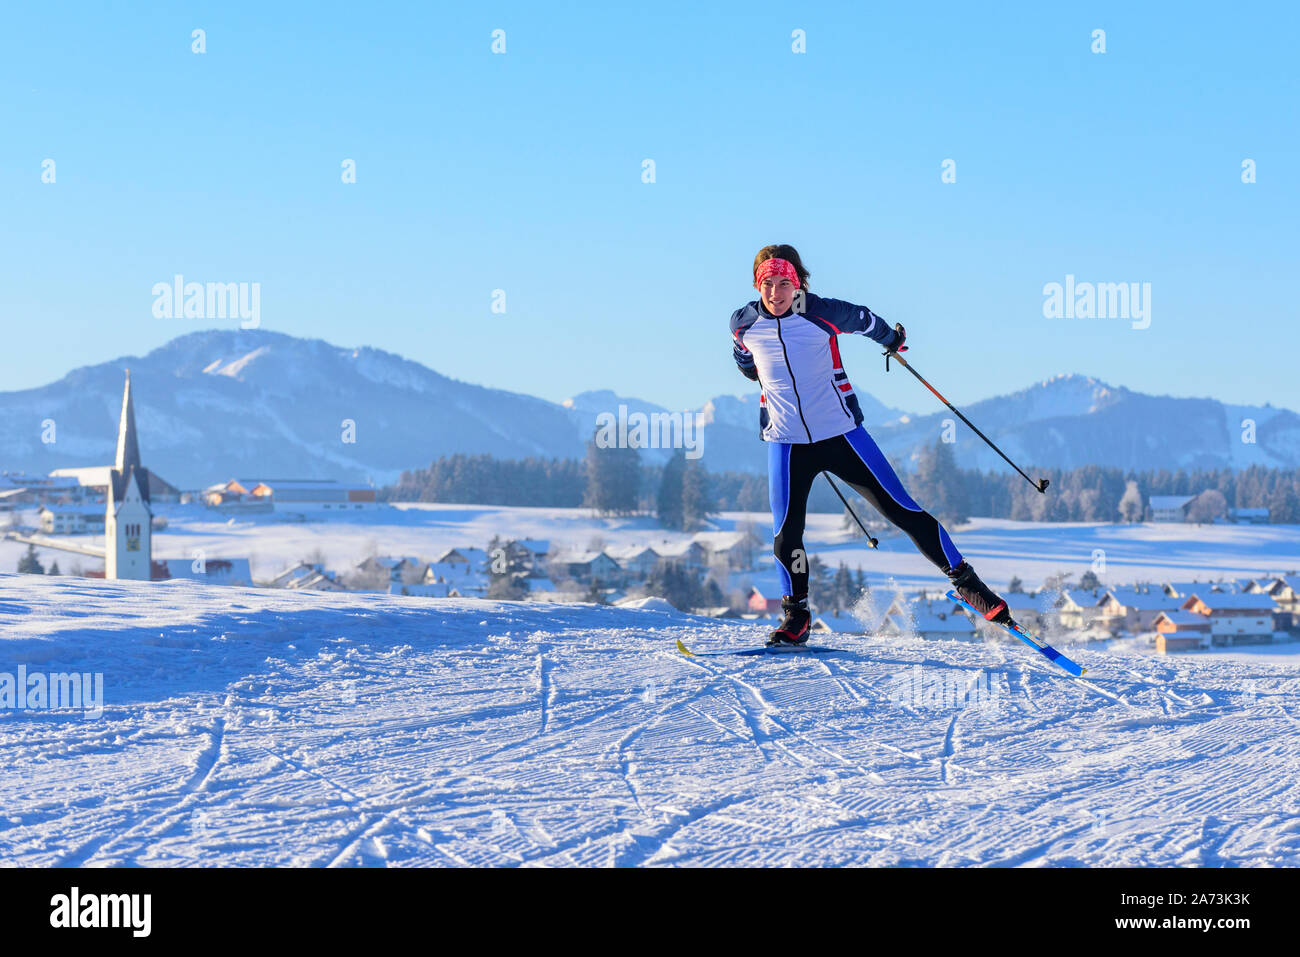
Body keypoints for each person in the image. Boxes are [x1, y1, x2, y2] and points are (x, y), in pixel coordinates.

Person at [730, 244, 1011, 645]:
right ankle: (796, 617)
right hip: (786, 442)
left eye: (784, 284)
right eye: (767, 284)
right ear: (758, 285)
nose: (775, 293)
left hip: (842, 434)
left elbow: (866, 320)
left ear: (798, 284)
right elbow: (741, 356)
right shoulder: (743, 322)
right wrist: (747, 367)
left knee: (902, 510)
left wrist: (892, 338)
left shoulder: (821, 312)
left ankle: (971, 586)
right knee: (786, 533)